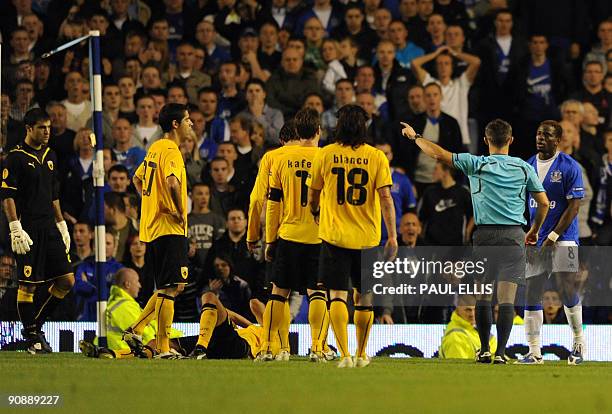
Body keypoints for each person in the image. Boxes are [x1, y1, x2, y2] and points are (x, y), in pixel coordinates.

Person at [400, 118, 549, 364]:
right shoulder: (524, 167)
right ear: (511, 140)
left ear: (486, 141)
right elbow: (543, 203)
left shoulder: (476, 163)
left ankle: (485, 350)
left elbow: (437, 153)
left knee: (483, 296)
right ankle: (500, 352)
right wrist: (534, 231)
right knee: (507, 298)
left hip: (485, 236)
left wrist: (415, 136)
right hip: (513, 236)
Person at [307, 105, 398, 368]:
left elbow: (313, 194)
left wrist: (315, 211)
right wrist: (391, 235)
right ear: (363, 126)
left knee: (336, 295)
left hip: (334, 236)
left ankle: (344, 353)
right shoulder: (377, 156)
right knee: (364, 296)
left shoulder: (325, 154)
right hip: (367, 238)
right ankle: (360, 353)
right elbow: (385, 198)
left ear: (339, 125)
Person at [256, 109, 328, 363]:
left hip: (288, 234)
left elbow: (272, 203)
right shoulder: (326, 157)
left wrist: (270, 240)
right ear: (319, 131)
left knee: (278, 293)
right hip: (318, 236)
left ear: (297, 132)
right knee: (318, 293)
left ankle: (269, 347)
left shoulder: (281, 159)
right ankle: (318, 348)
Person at [0, 108, 74, 353]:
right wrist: (14, 227)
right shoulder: (16, 157)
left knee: (66, 280)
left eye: (49, 128)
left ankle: (34, 328)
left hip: (49, 228)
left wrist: (61, 224)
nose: (47, 132)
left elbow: (54, 195)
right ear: (29, 128)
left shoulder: (51, 155)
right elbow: (7, 195)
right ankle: (33, 339)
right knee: (27, 286)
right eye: (42, 128)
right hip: (27, 229)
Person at [122, 103, 192, 359]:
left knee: (172, 286)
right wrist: (176, 209)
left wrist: (148, 201)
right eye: (187, 120)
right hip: (168, 227)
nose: (191, 124)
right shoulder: (171, 150)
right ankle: (163, 347)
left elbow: (137, 179)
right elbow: (172, 182)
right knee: (170, 288)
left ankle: (137, 329)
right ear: (175, 124)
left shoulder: (154, 148)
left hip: (153, 227)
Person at [518, 120, 585, 365]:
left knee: (566, 287)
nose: (540, 138)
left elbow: (574, 207)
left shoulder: (570, 166)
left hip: (564, 238)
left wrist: (554, 237)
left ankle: (578, 343)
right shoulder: (527, 165)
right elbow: (524, 203)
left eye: (546, 135)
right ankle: (534, 352)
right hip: (536, 238)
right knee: (532, 290)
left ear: (558, 140)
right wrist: (529, 232)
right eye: (538, 134)